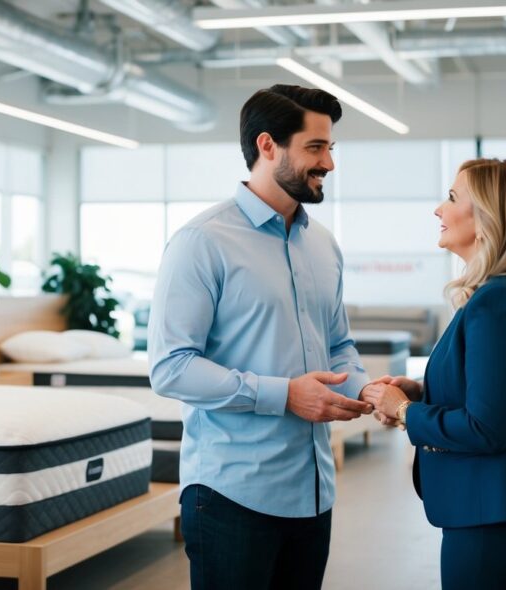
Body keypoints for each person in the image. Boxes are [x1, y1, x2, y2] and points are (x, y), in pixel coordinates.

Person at [148, 84, 392, 590]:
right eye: (315, 148)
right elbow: (171, 366)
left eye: (331, 148)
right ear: (267, 146)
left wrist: (364, 388)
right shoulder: (201, 242)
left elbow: (339, 343)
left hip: (313, 491)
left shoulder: (323, 245)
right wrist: (285, 395)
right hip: (232, 495)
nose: (329, 163)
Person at [363, 158, 506, 590]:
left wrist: (404, 411)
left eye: (453, 197)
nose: (439, 210)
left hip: (492, 514)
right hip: (500, 510)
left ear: (486, 220)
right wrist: (420, 391)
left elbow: (486, 427)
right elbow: (490, 390)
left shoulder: (498, 302)